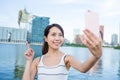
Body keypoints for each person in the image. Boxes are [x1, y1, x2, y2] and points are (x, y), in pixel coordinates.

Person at [22, 23, 102, 80]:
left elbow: (83, 68)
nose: (57, 38)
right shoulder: (37, 61)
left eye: (60, 35)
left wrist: (96, 56)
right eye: (53, 35)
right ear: (46, 38)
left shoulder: (67, 58)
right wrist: (29, 61)